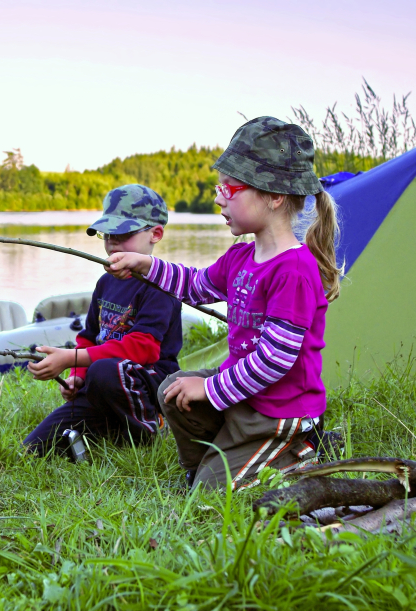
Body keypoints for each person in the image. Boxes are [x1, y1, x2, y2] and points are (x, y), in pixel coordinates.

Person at [106, 117, 342, 490]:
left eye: (230, 188)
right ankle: (214, 462)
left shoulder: (294, 270)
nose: (218, 197)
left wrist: (211, 389)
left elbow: (274, 360)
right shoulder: (241, 257)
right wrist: (146, 265)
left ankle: (300, 449)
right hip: (244, 397)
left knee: (208, 496)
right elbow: (194, 285)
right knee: (173, 388)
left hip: (279, 412)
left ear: (274, 196)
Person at [23, 184, 183, 458]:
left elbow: (144, 349)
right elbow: (90, 336)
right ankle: (111, 423)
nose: (112, 243)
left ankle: (149, 427)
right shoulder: (106, 281)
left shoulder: (159, 286)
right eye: (108, 234)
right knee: (36, 448)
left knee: (106, 370)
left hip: (149, 382)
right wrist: (76, 376)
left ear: (155, 234)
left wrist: (72, 358)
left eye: (124, 234)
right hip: (103, 383)